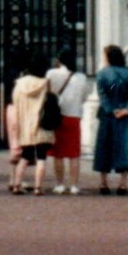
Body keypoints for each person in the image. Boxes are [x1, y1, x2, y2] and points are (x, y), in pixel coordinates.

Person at [92, 43, 128, 193]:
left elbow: (103, 94)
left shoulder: (103, 73)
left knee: (104, 148)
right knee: (125, 148)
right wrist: (127, 109)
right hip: (124, 113)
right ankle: (123, 183)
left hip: (108, 115)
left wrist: (111, 109)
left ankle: (103, 182)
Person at [44, 50, 89, 195]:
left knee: (58, 153)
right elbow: (85, 96)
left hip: (57, 116)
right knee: (74, 154)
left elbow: (47, 92)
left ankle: (60, 184)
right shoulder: (81, 77)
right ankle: (74, 185)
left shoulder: (51, 73)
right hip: (74, 116)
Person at [9, 52, 54, 195]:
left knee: (25, 157)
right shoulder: (45, 83)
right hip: (41, 125)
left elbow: (15, 103)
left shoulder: (19, 84)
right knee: (41, 158)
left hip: (25, 125)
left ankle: (16, 184)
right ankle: (38, 187)